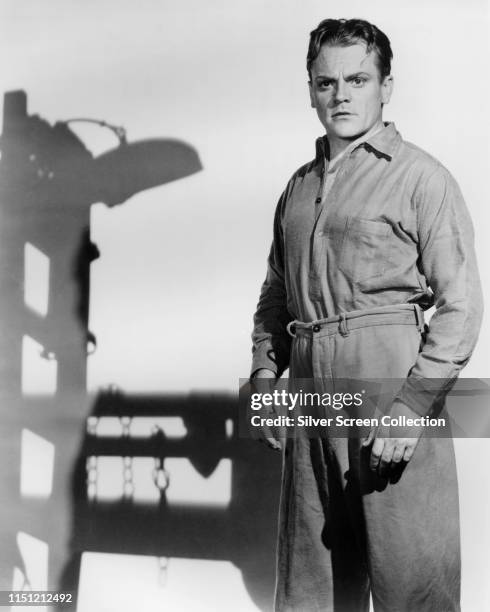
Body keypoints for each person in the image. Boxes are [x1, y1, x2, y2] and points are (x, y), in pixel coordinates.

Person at [250, 18, 483, 612]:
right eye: (326, 82)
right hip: (308, 390)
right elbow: (276, 298)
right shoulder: (297, 189)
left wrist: (411, 410)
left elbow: (460, 307)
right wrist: (263, 381)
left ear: (386, 86)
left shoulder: (420, 178)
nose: (342, 94)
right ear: (310, 90)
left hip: (390, 381)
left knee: (413, 585)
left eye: (358, 79)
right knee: (313, 585)